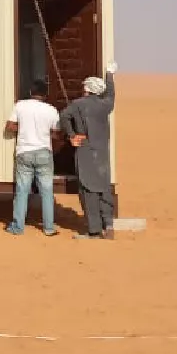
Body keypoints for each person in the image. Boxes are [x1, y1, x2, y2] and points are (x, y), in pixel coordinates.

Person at [59, 63, 118, 239]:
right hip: (102, 153)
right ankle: (108, 225)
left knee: (87, 190)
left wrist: (71, 136)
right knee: (103, 188)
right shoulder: (106, 105)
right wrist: (109, 74)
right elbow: (111, 94)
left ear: (86, 89)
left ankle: (94, 230)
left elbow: (64, 116)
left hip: (85, 150)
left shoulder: (77, 104)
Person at [4, 78, 62, 237]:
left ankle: (18, 227)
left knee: (22, 191)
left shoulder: (20, 105)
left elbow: (9, 126)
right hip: (44, 152)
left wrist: (23, 127)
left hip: (24, 152)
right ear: (45, 95)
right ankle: (49, 228)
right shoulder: (51, 110)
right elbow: (56, 133)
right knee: (47, 191)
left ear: (31, 92)